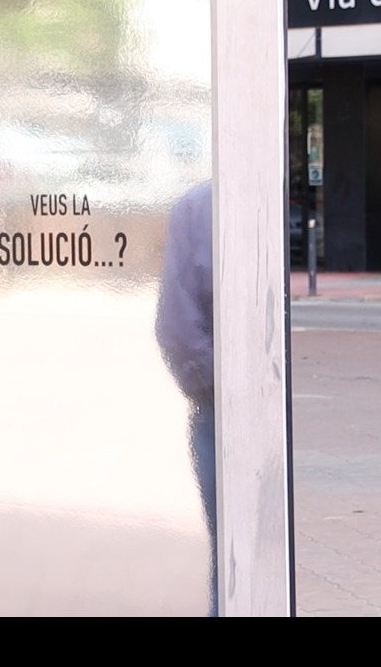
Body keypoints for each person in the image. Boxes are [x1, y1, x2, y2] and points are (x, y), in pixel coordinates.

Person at [153, 181, 216, 615]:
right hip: (220, 409)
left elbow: (177, 326)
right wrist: (222, 388)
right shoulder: (201, 207)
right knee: (238, 553)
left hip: (218, 406)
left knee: (235, 553)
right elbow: (176, 328)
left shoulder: (199, 205)